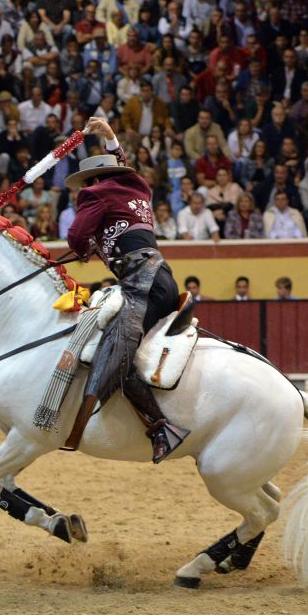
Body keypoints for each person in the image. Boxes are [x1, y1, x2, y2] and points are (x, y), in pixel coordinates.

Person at [61, 116, 185, 464]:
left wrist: (85, 250)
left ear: (94, 179)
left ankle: (160, 427)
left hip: (140, 284)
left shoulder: (95, 194)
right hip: (161, 277)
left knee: (115, 353)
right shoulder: (137, 187)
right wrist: (111, 138)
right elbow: (127, 168)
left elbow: (75, 237)